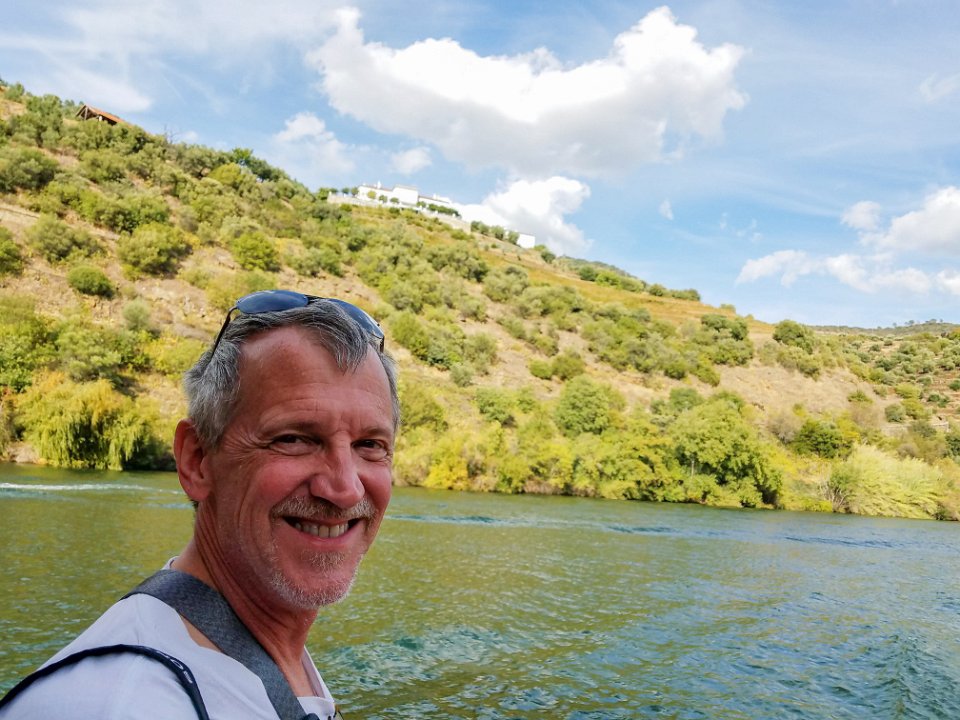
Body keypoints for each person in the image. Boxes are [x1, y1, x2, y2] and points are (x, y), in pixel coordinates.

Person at [0, 290, 399, 719]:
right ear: (197, 459)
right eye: (294, 439)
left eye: (370, 445)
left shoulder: (264, 652)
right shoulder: (122, 702)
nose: (344, 489)